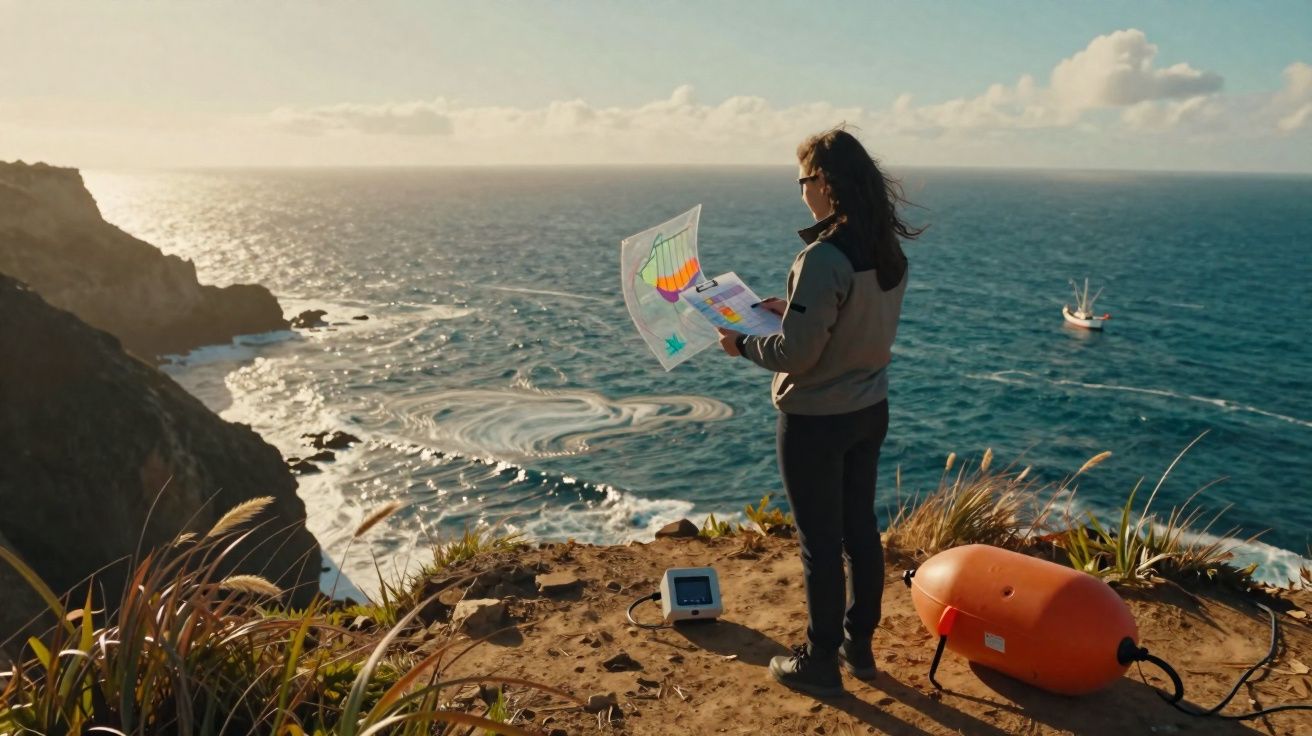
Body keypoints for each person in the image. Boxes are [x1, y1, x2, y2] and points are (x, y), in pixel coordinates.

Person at [716, 126, 921, 697]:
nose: (802, 191)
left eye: (803, 180)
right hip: (869, 409)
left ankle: (820, 661)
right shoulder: (886, 250)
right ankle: (860, 649)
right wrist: (792, 310)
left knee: (820, 542)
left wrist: (743, 343)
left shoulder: (821, 257)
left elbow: (798, 355)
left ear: (825, 182)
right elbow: (849, 320)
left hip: (815, 421)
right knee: (861, 531)